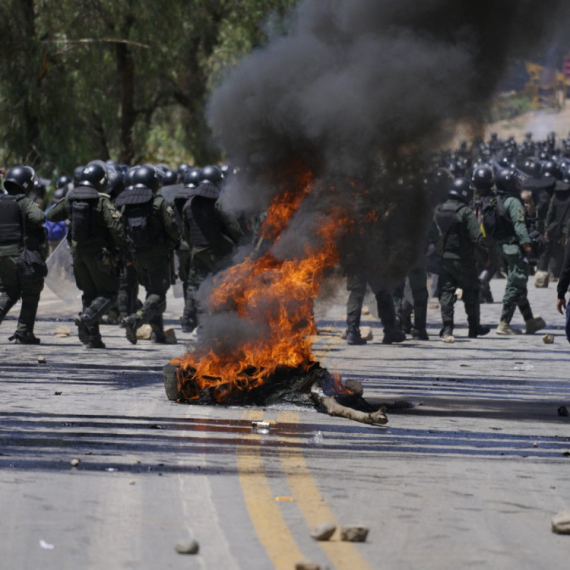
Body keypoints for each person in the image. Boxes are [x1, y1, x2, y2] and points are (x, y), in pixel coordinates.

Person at [47, 161, 130, 348]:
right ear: (101, 180)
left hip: (77, 256)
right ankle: (87, 318)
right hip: (100, 257)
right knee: (109, 294)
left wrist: (69, 205)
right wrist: (125, 249)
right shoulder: (102, 200)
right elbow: (116, 229)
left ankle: (93, 338)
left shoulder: (71, 199)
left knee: (88, 294)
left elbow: (52, 215)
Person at [117, 165, 181, 344]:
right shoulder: (159, 202)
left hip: (137, 256)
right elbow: (173, 229)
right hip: (157, 256)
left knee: (150, 292)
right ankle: (136, 319)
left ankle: (158, 333)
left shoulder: (126, 204)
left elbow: (120, 231)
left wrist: (126, 254)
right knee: (158, 294)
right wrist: (175, 241)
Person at [182, 165, 243, 331]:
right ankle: (220, 325)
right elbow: (233, 226)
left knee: (199, 288)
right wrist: (242, 243)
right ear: (217, 182)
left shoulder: (189, 204)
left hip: (197, 252)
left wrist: (194, 247)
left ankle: (200, 325)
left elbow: (187, 232)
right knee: (221, 287)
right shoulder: (219, 202)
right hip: (217, 253)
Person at [435, 177, 490, 342]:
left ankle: (447, 329)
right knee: (472, 291)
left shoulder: (439, 210)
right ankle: (474, 328)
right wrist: (485, 256)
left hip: (443, 260)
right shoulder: (465, 211)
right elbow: (478, 237)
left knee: (446, 294)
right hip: (463, 260)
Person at [493, 169, 546, 335]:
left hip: (502, 248)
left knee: (520, 286)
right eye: (516, 182)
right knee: (515, 286)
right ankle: (504, 324)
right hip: (515, 248)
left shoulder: (497, 201)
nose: (519, 185)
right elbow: (520, 228)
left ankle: (530, 322)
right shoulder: (514, 202)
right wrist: (528, 249)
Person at [0, 166, 47, 344]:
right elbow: (39, 218)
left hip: (2, 255)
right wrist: (34, 207)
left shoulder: (1, 201)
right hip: (21, 254)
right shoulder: (24, 201)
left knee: (10, 292)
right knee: (31, 290)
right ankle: (24, 332)